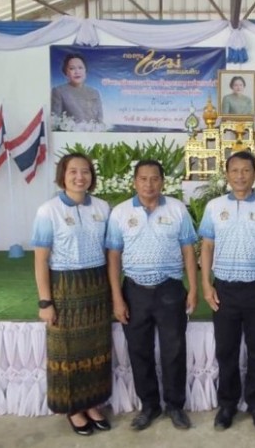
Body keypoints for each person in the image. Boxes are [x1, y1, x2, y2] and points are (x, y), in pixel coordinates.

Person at [105, 160, 198, 431]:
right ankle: (149, 406)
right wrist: (117, 298)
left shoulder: (177, 209)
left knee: (174, 350)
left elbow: (188, 251)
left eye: (154, 178)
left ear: (163, 182)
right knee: (139, 351)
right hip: (134, 291)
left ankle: (175, 406)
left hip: (170, 289)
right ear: (134, 182)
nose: (149, 184)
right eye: (143, 179)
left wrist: (192, 288)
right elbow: (114, 256)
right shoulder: (121, 213)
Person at [199, 151, 255, 431]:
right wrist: (205, 284)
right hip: (224, 288)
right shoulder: (214, 207)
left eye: (245, 170)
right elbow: (207, 246)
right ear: (226, 174)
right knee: (226, 350)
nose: (240, 176)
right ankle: (227, 405)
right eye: (234, 170)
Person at [32, 153, 113, 436]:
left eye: (86, 172)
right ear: (62, 176)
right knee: (67, 352)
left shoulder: (103, 207)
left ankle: (92, 403)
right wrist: (46, 301)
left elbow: (110, 252)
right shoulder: (48, 210)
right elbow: (41, 259)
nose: (80, 177)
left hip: (97, 285)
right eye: (73, 172)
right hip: (65, 288)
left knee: (97, 348)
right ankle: (73, 408)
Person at [51, 53, 104, 125]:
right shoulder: (58, 91)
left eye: (80, 68)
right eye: (72, 68)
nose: (77, 72)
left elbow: (100, 121)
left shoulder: (94, 92)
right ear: (66, 72)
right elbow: (55, 122)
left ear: (85, 70)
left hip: (94, 134)